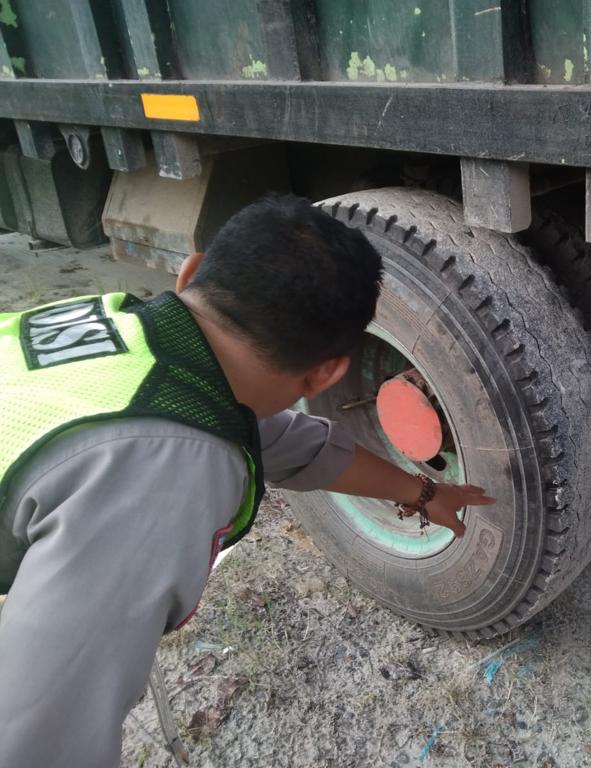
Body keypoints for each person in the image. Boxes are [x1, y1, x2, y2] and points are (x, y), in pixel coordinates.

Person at [0, 194, 495, 767]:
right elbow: (35, 735)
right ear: (329, 372)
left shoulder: (128, 336)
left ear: (190, 270)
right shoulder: (161, 481)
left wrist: (425, 493)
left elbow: (289, 445)